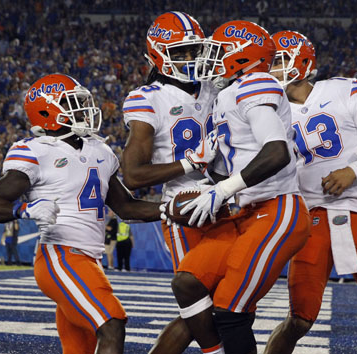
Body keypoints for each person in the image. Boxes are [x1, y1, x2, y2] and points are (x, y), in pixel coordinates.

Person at [0, 74, 161, 354]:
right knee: (111, 324)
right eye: (73, 102)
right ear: (47, 111)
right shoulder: (35, 151)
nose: (83, 108)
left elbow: (127, 207)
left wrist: (171, 209)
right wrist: (25, 209)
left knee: (80, 349)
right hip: (60, 255)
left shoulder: (100, 149)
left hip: (90, 259)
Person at [167, 21, 311, 354]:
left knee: (231, 310)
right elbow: (236, 163)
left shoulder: (255, 83)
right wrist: (208, 183)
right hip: (245, 212)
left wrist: (224, 188)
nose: (209, 57)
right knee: (187, 283)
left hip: (278, 209)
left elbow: (276, 151)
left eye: (217, 50)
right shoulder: (228, 93)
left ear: (240, 56)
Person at [264, 30, 357, 354]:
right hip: (309, 218)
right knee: (299, 320)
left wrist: (351, 171)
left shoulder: (343, 90)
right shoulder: (267, 110)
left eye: (277, 61)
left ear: (300, 61)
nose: (269, 69)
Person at [120, 12, 220, 354]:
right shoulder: (148, 99)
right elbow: (133, 175)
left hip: (230, 201)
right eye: (180, 53)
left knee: (224, 303)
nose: (191, 59)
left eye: (194, 50)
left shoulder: (218, 87)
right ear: (159, 55)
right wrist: (189, 162)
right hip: (185, 208)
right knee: (201, 303)